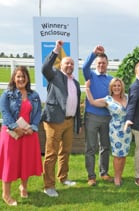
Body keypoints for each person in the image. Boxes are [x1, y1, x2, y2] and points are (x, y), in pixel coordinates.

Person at [42, 40, 82, 197]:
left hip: (69, 121)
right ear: (60, 65)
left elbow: (77, 104)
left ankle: (63, 177)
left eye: (72, 64)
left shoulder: (76, 83)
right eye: (67, 64)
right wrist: (56, 50)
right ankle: (48, 186)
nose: (70, 66)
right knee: (51, 154)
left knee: (65, 151)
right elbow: (45, 67)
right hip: (54, 120)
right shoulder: (55, 75)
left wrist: (78, 122)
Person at [0, 66, 43, 206]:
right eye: (18, 76)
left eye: (23, 76)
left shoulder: (34, 95)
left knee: (26, 162)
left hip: (28, 133)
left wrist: (33, 127)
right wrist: (15, 127)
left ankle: (23, 187)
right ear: (13, 78)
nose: (21, 79)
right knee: (10, 163)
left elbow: (37, 114)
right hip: (11, 134)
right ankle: (6, 194)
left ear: (27, 79)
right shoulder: (6, 94)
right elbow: (4, 112)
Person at [85, 78, 131, 186]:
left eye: (119, 85)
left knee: (124, 155)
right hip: (116, 130)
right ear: (111, 88)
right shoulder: (108, 100)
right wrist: (87, 88)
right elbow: (92, 102)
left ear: (122, 87)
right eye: (114, 86)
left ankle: (120, 175)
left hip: (127, 130)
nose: (117, 88)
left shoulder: (128, 97)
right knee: (117, 155)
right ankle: (116, 178)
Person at [82, 45, 113, 186]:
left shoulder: (111, 80)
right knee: (91, 147)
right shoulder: (91, 75)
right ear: (96, 64)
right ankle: (91, 176)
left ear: (107, 64)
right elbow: (84, 67)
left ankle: (104, 172)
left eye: (103, 63)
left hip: (107, 117)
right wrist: (94, 53)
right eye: (99, 63)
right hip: (92, 116)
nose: (101, 65)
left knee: (105, 146)